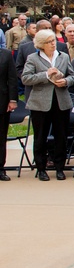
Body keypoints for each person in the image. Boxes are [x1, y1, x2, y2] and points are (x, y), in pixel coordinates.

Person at [21, 30, 74, 181]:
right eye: (49, 41)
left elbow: (73, 75)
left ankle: (59, 167)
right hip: (40, 103)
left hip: (61, 101)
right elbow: (26, 78)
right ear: (41, 44)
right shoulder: (33, 58)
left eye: (53, 40)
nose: (53, 43)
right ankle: (41, 168)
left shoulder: (63, 56)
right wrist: (45, 74)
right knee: (40, 137)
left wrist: (66, 81)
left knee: (61, 136)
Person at [0, 45, 16, 181]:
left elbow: (12, 78)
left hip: (2, 102)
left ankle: (0, 168)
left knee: (1, 136)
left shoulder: (5, 54)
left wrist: (12, 100)